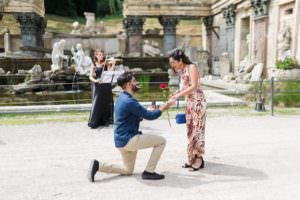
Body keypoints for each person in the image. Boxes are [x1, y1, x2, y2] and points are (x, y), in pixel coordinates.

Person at [88, 71, 175, 181]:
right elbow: (150, 116)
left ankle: (98, 165)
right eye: (134, 80)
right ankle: (149, 171)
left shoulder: (121, 98)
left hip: (120, 141)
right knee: (161, 141)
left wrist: (147, 111)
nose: (137, 82)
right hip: (129, 140)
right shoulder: (129, 101)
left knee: (127, 170)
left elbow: (133, 114)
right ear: (129, 84)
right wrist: (166, 105)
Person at [169, 49, 206, 171]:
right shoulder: (183, 71)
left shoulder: (191, 67)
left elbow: (194, 85)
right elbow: (186, 87)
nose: (172, 65)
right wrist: (175, 93)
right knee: (190, 129)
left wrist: (178, 96)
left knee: (197, 129)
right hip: (190, 102)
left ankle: (199, 159)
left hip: (198, 101)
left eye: (173, 62)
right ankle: (192, 157)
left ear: (180, 60)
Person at [88, 49, 115, 128]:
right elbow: (90, 76)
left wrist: (113, 64)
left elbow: (110, 72)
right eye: (99, 55)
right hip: (98, 85)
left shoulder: (106, 63)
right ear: (96, 55)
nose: (101, 56)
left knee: (107, 102)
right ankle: (95, 121)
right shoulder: (93, 64)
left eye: (102, 55)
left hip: (106, 85)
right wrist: (95, 80)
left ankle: (106, 120)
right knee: (97, 103)